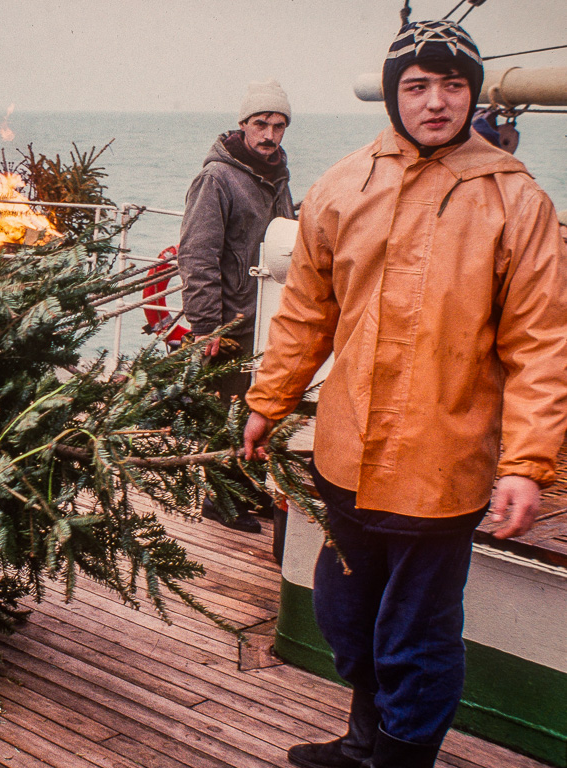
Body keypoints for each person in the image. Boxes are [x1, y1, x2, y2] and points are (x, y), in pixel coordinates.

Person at [243, 21, 567, 768]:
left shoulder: (517, 203)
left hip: (440, 465)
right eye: (417, 85)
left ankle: (400, 757)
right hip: (345, 455)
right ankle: (365, 740)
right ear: (394, 94)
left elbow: (543, 345)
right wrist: (270, 398)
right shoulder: (343, 184)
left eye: (453, 85)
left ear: (473, 94)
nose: (436, 101)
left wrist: (526, 463)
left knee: (416, 633)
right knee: (345, 615)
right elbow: (306, 312)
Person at [178, 79, 295, 533]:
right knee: (225, 407)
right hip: (227, 319)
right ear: (243, 125)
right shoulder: (217, 177)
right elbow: (197, 252)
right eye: (262, 123)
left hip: (264, 312)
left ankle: (248, 491)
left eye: (279, 125)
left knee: (255, 406)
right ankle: (220, 499)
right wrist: (208, 324)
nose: (270, 134)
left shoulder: (275, 174)